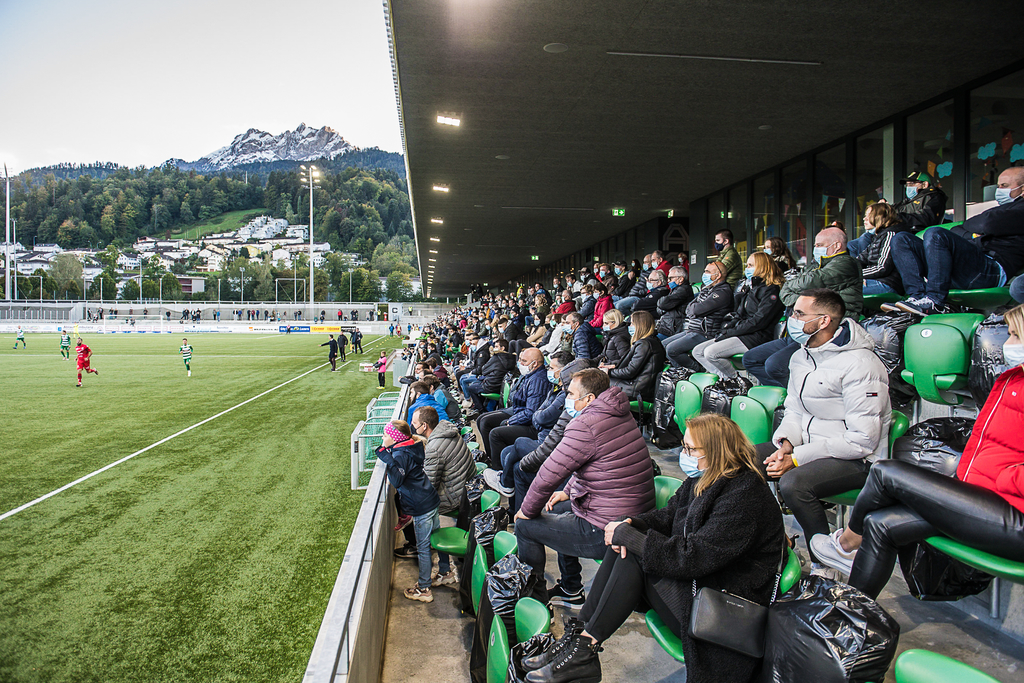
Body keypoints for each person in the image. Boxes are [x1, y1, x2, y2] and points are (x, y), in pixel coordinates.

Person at [522, 414, 785, 683]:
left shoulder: (745, 495)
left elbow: (692, 557)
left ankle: (584, 650)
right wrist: (631, 523)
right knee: (627, 542)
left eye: (692, 449)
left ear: (718, 451)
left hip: (723, 610)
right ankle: (579, 640)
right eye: (684, 447)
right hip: (702, 585)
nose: (686, 454)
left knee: (634, 553)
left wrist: (630, 535)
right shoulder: (705, 478)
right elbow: (669, 515)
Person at [810, 303, 1024, 596]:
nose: (1007, 345)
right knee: (880, 523)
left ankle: (846, 543)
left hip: (1014, 513)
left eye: (1014, 336)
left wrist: (1004, 477)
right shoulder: (1013, 379)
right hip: (986, 498)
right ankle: (853, 617)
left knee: (885, 472)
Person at [756, 289, 890, 575]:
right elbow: (794, 409)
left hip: (857, 459)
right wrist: (787, 444)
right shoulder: (801, 357)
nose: (791, 319)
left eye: (799, 314)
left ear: (823, 321)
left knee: (794, 484)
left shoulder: (861, 364)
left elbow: (863, 441)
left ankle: (825, 565)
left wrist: (796, 458)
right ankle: (770, 547)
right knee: (743, 459)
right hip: (811, 446)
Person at [514, 368, 655, 607]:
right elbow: (587, 464)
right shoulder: (616, 412)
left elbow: (548, 474)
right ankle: (571, 587)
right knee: (554, 507)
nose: (566, 398)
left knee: (525, 525)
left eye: (570, 393)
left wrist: (526, 511)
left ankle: (533, 602)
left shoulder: (586, 424)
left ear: (589, 399)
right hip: (628, 516)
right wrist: (567, 491)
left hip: (608, 528)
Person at [888, 166, 1024, 316]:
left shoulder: (1020, 209)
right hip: (967, 266)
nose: (998, 190)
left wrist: (975, 229)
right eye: (998, 185)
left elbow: (986, 224)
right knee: (901, 239)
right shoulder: (1001, 210)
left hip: (991, 271)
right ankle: (917, 297)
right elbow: (959, 229)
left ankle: (935, 301)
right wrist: (973, 235)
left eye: (1004, 186)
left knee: (936, 233)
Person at [742, 227, 862, 387]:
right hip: (799, 332)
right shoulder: (815, 265)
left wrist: (797, 291)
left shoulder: (847, 263)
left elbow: (812, 281)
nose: (816, 248)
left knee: (775, 365)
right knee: (750, 359)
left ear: (837, 245)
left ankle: (801, 395)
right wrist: (801, 297)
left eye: (820, 244)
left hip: (824, 332)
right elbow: (785, 290)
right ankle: (787, 395)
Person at [691, 252, 784, 384]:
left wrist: (731, 332)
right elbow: (738, 315)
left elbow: (759, 321)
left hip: (756, 336)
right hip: (741, 332)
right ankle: (726, 381)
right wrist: (727, 330)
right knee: (698, 351)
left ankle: (740, 383)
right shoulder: (750, 288)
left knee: (711, 353)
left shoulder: (771, 290)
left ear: (762, 267)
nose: (747, 269)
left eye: (751, 265)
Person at [377, 420, 443, 603]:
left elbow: (397, 480)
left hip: (421, 505)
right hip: (430, 498)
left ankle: (424, 588)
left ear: (395, 437)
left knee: (423, 548)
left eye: (385, 435)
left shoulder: (400, 454)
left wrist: (386, 456)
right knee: (437, 539)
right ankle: (445, 572)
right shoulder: (412, 445)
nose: (383, 438)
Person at [412, 406, 474, 587]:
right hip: (465, 492)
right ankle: (445, 569)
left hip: (456, 498)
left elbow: (428, 487)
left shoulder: (434, 448)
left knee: (420, 511)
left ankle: (424, 584)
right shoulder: (448, 431)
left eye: (415, 424)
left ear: (424, 426)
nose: (413, 427)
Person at [476, 347, 550, 469]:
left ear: (535, 363)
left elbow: (530, 413)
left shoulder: (538, 381)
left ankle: (497, 468)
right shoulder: (530, 374)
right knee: (482, 419)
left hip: (529, 423)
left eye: (524, 361)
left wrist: (511, 421)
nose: (520, 363)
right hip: (518, 410)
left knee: (494, 431)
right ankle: (491, 457)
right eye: (520, 359)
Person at [663, 261, 733, 370]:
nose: (704, 274)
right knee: (663, 345)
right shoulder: (707, 288)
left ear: (718, 275)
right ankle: (680, 372)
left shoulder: (723, 292)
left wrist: (694, 310)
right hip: (692, 330)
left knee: (672, 349)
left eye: (707, 272)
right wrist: (694, 310)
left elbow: (697, 310)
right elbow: (690, 307)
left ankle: (696, 370)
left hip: (706, 333)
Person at [602, 310, 666, 403]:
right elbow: (631, 363)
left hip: (637, 389)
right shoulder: (651, 340)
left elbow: (629, 372)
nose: (629, 327)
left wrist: (609, 372)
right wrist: (612, 366)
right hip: (640, 385)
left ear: (640, 326)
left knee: (598, 382)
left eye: (632, 324)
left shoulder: (644, 344)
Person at [856, 202, 904, 295]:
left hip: (887, 284)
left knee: (839, 291)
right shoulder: (877, 237)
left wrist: (856, 275)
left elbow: (881, 268)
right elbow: (860, 260)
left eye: (869, 215)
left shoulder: (890, 235)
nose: (864, 218)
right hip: (875, 280)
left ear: (879, 217)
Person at [466, 338, 515, 412]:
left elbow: (484, 370)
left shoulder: (496, 357)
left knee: (471, 388)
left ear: (502, 348)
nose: (494, 348)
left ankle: (481, 410)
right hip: (501, 387)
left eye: (496, 346)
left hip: (491, 386)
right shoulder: (512, 358)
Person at [654, 266, 693, 340]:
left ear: (681, 279)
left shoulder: (683, 290)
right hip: (665, 326)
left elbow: (662, 303)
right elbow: (659, 308)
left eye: (671, 278)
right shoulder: (675, 290)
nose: (668, 281)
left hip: (671, 330)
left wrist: (663, 307)